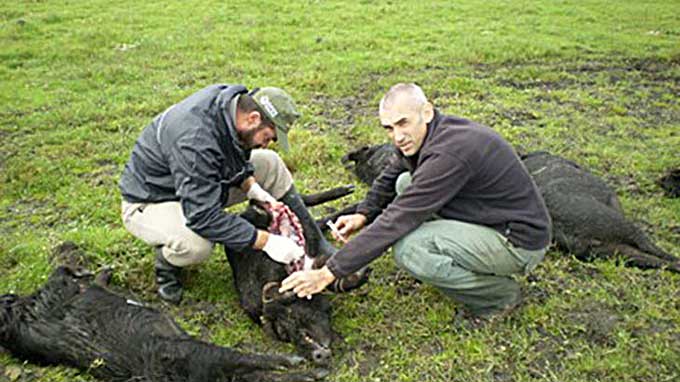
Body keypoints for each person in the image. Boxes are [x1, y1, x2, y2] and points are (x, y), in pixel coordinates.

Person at [281, 83, 552, 319]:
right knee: (403, 183)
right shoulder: (433, 132)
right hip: (489, 214)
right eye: (389, 128)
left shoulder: (450, 154)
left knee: (409, 249)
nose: (397, 136)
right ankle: (462, 250)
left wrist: (329, 272)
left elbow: (397, 219)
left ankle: (499, 296)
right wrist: (363, 213)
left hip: (517, 240)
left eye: (403, 123)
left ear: (427, 112)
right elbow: (391, 175)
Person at [119, 84, 336, 304]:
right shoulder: (195, 142)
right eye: (268, 136)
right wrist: (267, 242)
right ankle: (166, 265)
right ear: (253, 118)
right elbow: (202, 216)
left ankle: (314, 243)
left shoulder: (231, 109)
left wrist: (251, 186)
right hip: (152, 199)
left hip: (199, 183)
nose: (267, 143)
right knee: (197, 244)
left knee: (270, 162)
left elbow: (232, 152)